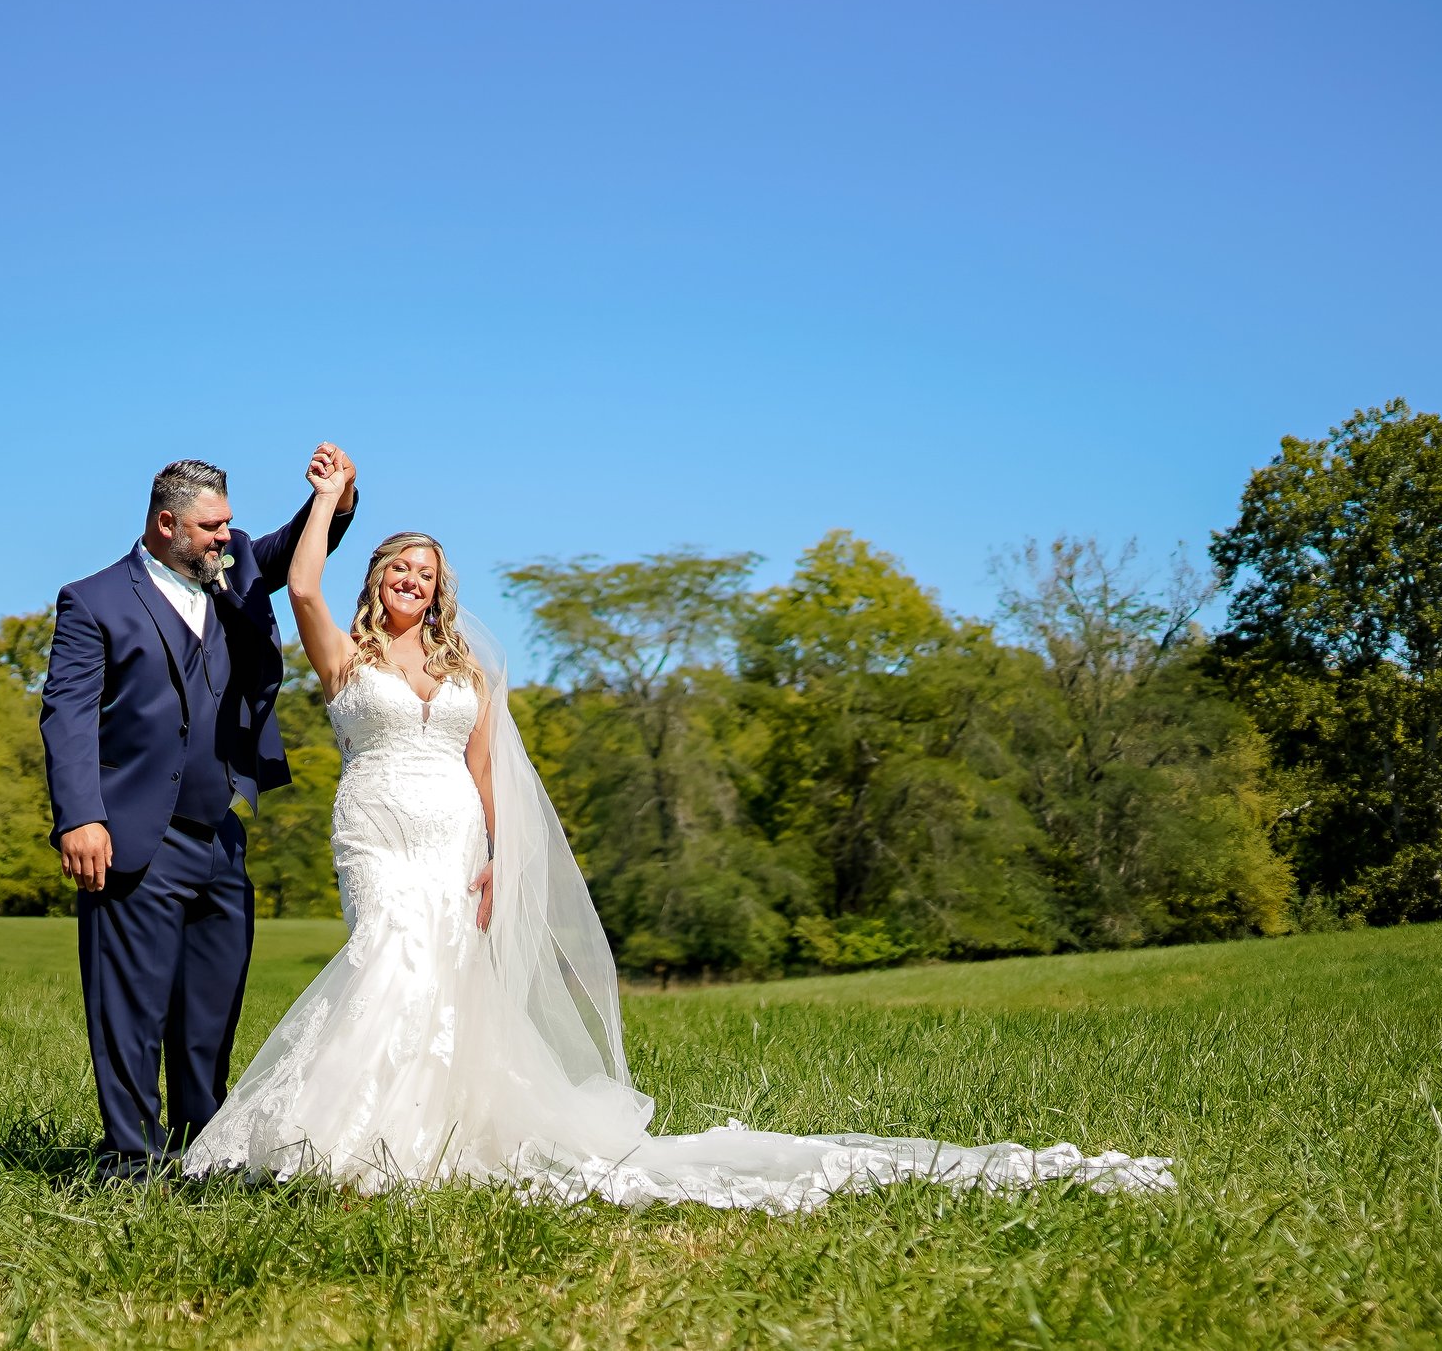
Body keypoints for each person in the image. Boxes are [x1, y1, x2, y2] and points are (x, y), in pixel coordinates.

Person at [182, 455, 1176, 1208]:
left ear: (440, 591)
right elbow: (301, 583)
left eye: (426, 570)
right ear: (378, 579)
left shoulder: (467, 676)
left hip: (451, 836)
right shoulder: (344, 656)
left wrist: (490, 859)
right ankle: (356, 1139)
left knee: (439, 973)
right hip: (375, 832)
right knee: (388, 958)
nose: (410, 575)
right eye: (398, 563)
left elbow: (485, 771)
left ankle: (420, 1138)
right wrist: (326, 500)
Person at [40, 447, 357, 1181]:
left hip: (220, 831)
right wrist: (79, 815)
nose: (225, 536)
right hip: (129, 832)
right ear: (165, 524)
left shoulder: (237, 564)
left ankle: (200, 1150)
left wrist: (336, 497)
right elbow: (68, 713)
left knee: (210, 1008)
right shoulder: (93, 601)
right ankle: (130, 1160)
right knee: (131, 1008)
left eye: (228, 524)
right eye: (210, 526)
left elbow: (294, 547)